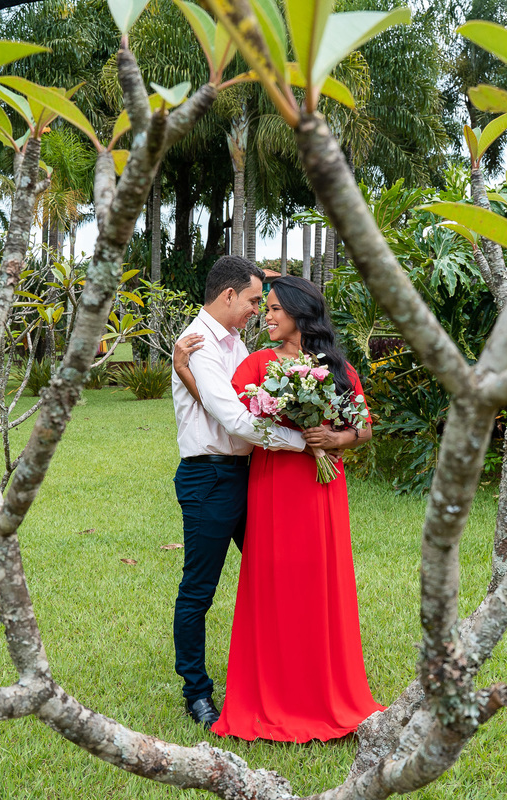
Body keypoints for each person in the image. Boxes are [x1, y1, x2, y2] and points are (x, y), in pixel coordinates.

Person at [174, 275, 383, 742]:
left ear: (298, 314)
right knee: (274, 586)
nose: (265, 316)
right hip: (271, 486)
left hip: (322, 491)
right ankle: (269, 692)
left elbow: (364, 427)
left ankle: (324, 688)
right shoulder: (258, 363)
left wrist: (335, 438)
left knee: (318, 585)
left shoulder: (336, 367)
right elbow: (224, 409)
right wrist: (185, 373)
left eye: (272, 309)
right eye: (261, 306)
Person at [170, 256, 309, 729]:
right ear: (228, 296)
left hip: (248, 476)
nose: (257, 310)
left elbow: (227, 401)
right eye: (253, 301)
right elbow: (230, 417)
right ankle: (197, 693)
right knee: (199, 590)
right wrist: (303, 444)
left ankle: (283, 678)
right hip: (209, 479)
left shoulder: (231, 344)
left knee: (274, 574)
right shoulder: (199, 344)